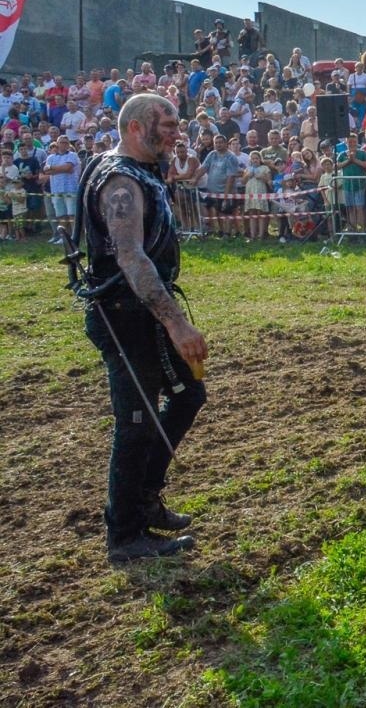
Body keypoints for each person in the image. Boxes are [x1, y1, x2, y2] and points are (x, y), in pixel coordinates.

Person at [76, 95, 208, 562]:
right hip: (124, 317)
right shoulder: (120, 183)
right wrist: (176, 323)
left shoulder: (140, 171)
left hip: (141, 313)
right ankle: (125, 536)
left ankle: (146, 497)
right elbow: (131, 257)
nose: (176, 132)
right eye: (167, 125)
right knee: (135, 422)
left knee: (188, 395)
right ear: (135, 127)